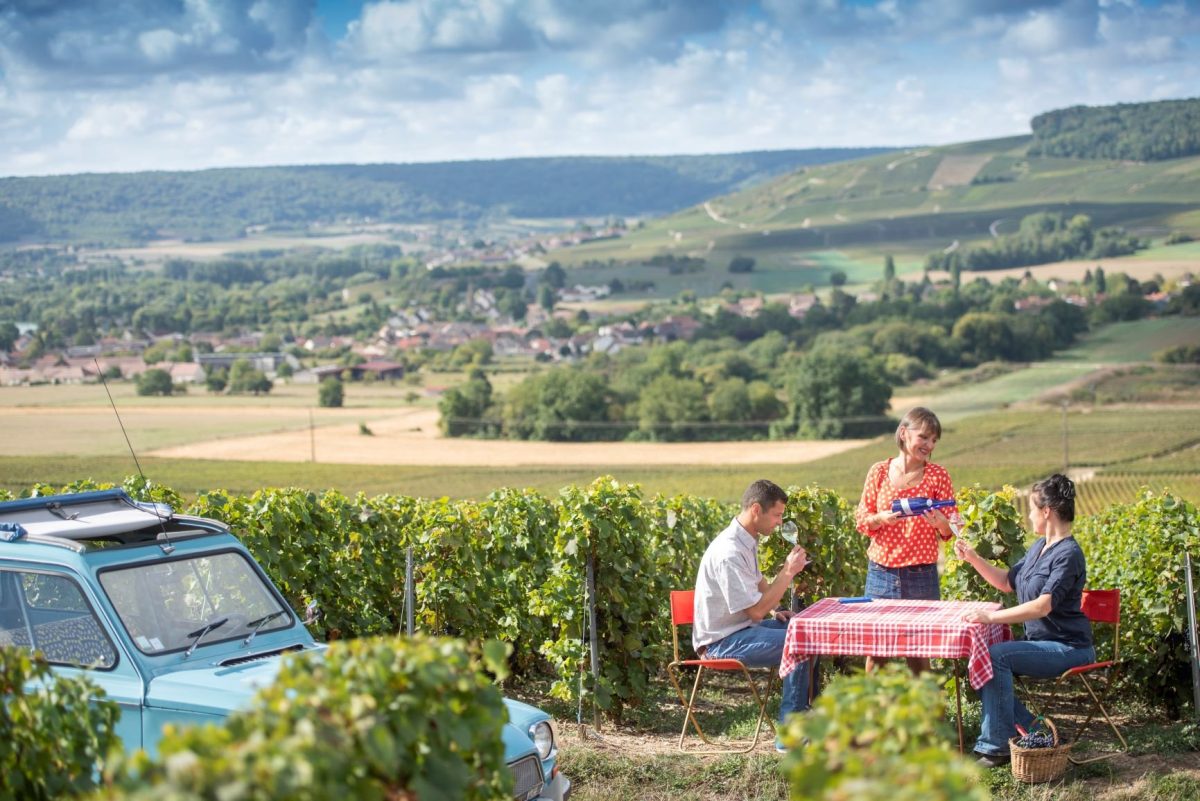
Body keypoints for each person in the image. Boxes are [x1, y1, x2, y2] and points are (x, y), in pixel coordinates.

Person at [953, 474, 1094, 768]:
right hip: (1041, 644)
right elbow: (1007, 582)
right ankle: (1036, 731)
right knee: (983, 660)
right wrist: (973, 558)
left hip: (1069, 647)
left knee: (994, 658)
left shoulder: (1068, 554)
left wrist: (990, 617)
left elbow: (1042, 606)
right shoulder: (1038, 548)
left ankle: (995, 748)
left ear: (1046, 511)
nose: (1028, 514)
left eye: (1031, 508)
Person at [692, 479, 815, 751]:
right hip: (720, 643)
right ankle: (790, 736)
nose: (780, 523)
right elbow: (756, 612)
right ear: (757, 510)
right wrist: (788, 572)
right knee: (799, 643)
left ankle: (807, 715)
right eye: (778, 515)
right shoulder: (729, 552)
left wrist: (778, 609)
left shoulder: (745, 539)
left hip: (741, 629)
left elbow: (759, 586)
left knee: (807, 631)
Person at [854, 406, 956, 672]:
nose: (929, 445)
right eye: (924, 437)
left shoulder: (938, 475)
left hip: (921, 575)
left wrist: (942, 523)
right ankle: (873, 713)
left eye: (933, 440)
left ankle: (924, 714)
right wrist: (882, 518)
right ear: (904, 433)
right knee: (877, 654)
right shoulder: (878, 471)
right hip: (881, 573)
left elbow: (953, 528)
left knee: (919, 655)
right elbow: (862, 519)